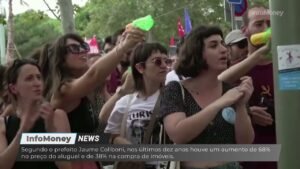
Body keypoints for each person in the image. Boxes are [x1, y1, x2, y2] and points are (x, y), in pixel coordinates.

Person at [160, 25, 254, 169]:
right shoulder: (176, 89)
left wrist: (241, 106)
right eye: (213, 45)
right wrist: (219, 104)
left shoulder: (231, 91)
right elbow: (178, 135)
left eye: (222, 43)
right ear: (196, 53)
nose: (223, 49)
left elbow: (245, 144)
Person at [105, 42, 172, 169]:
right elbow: (112, 136)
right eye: (157, 61)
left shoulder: (173, 98)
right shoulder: (125, 103)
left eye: (167, 61)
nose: (164, 66)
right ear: (140, 68)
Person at [0, 59, 71, 169]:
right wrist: (22, 132)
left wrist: (51, 130)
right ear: (13, 88)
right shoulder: (4, 123)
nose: (37, 83)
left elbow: (66, 166)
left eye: (38, 77)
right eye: (29, 78)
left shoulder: (57, 116)